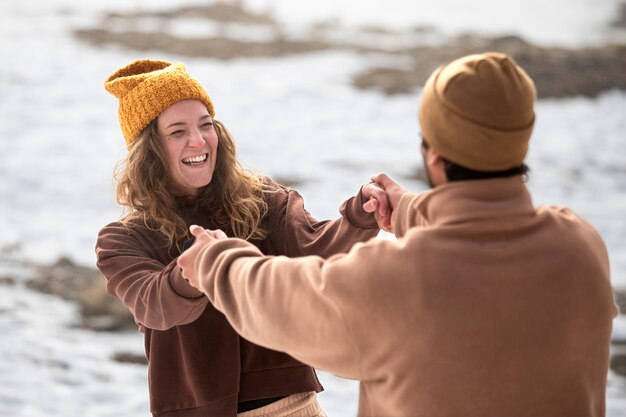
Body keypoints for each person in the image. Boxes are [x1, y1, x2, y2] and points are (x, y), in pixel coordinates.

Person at [177, 52, 617, 416]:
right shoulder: (579, 246)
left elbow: (286, 299)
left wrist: (217, 260)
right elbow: (484, 228)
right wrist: (407, 208)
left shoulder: (392, 281)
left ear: (435, 157)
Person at [95, 59, 388, 417]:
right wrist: (192, 269)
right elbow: (154, 305)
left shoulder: (262, 200)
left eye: (206, 125)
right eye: (177, 132)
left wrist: (361, 213)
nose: (199, 140)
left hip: (292, 407)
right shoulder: (122, 240)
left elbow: (318, 249)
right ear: (149, 149)